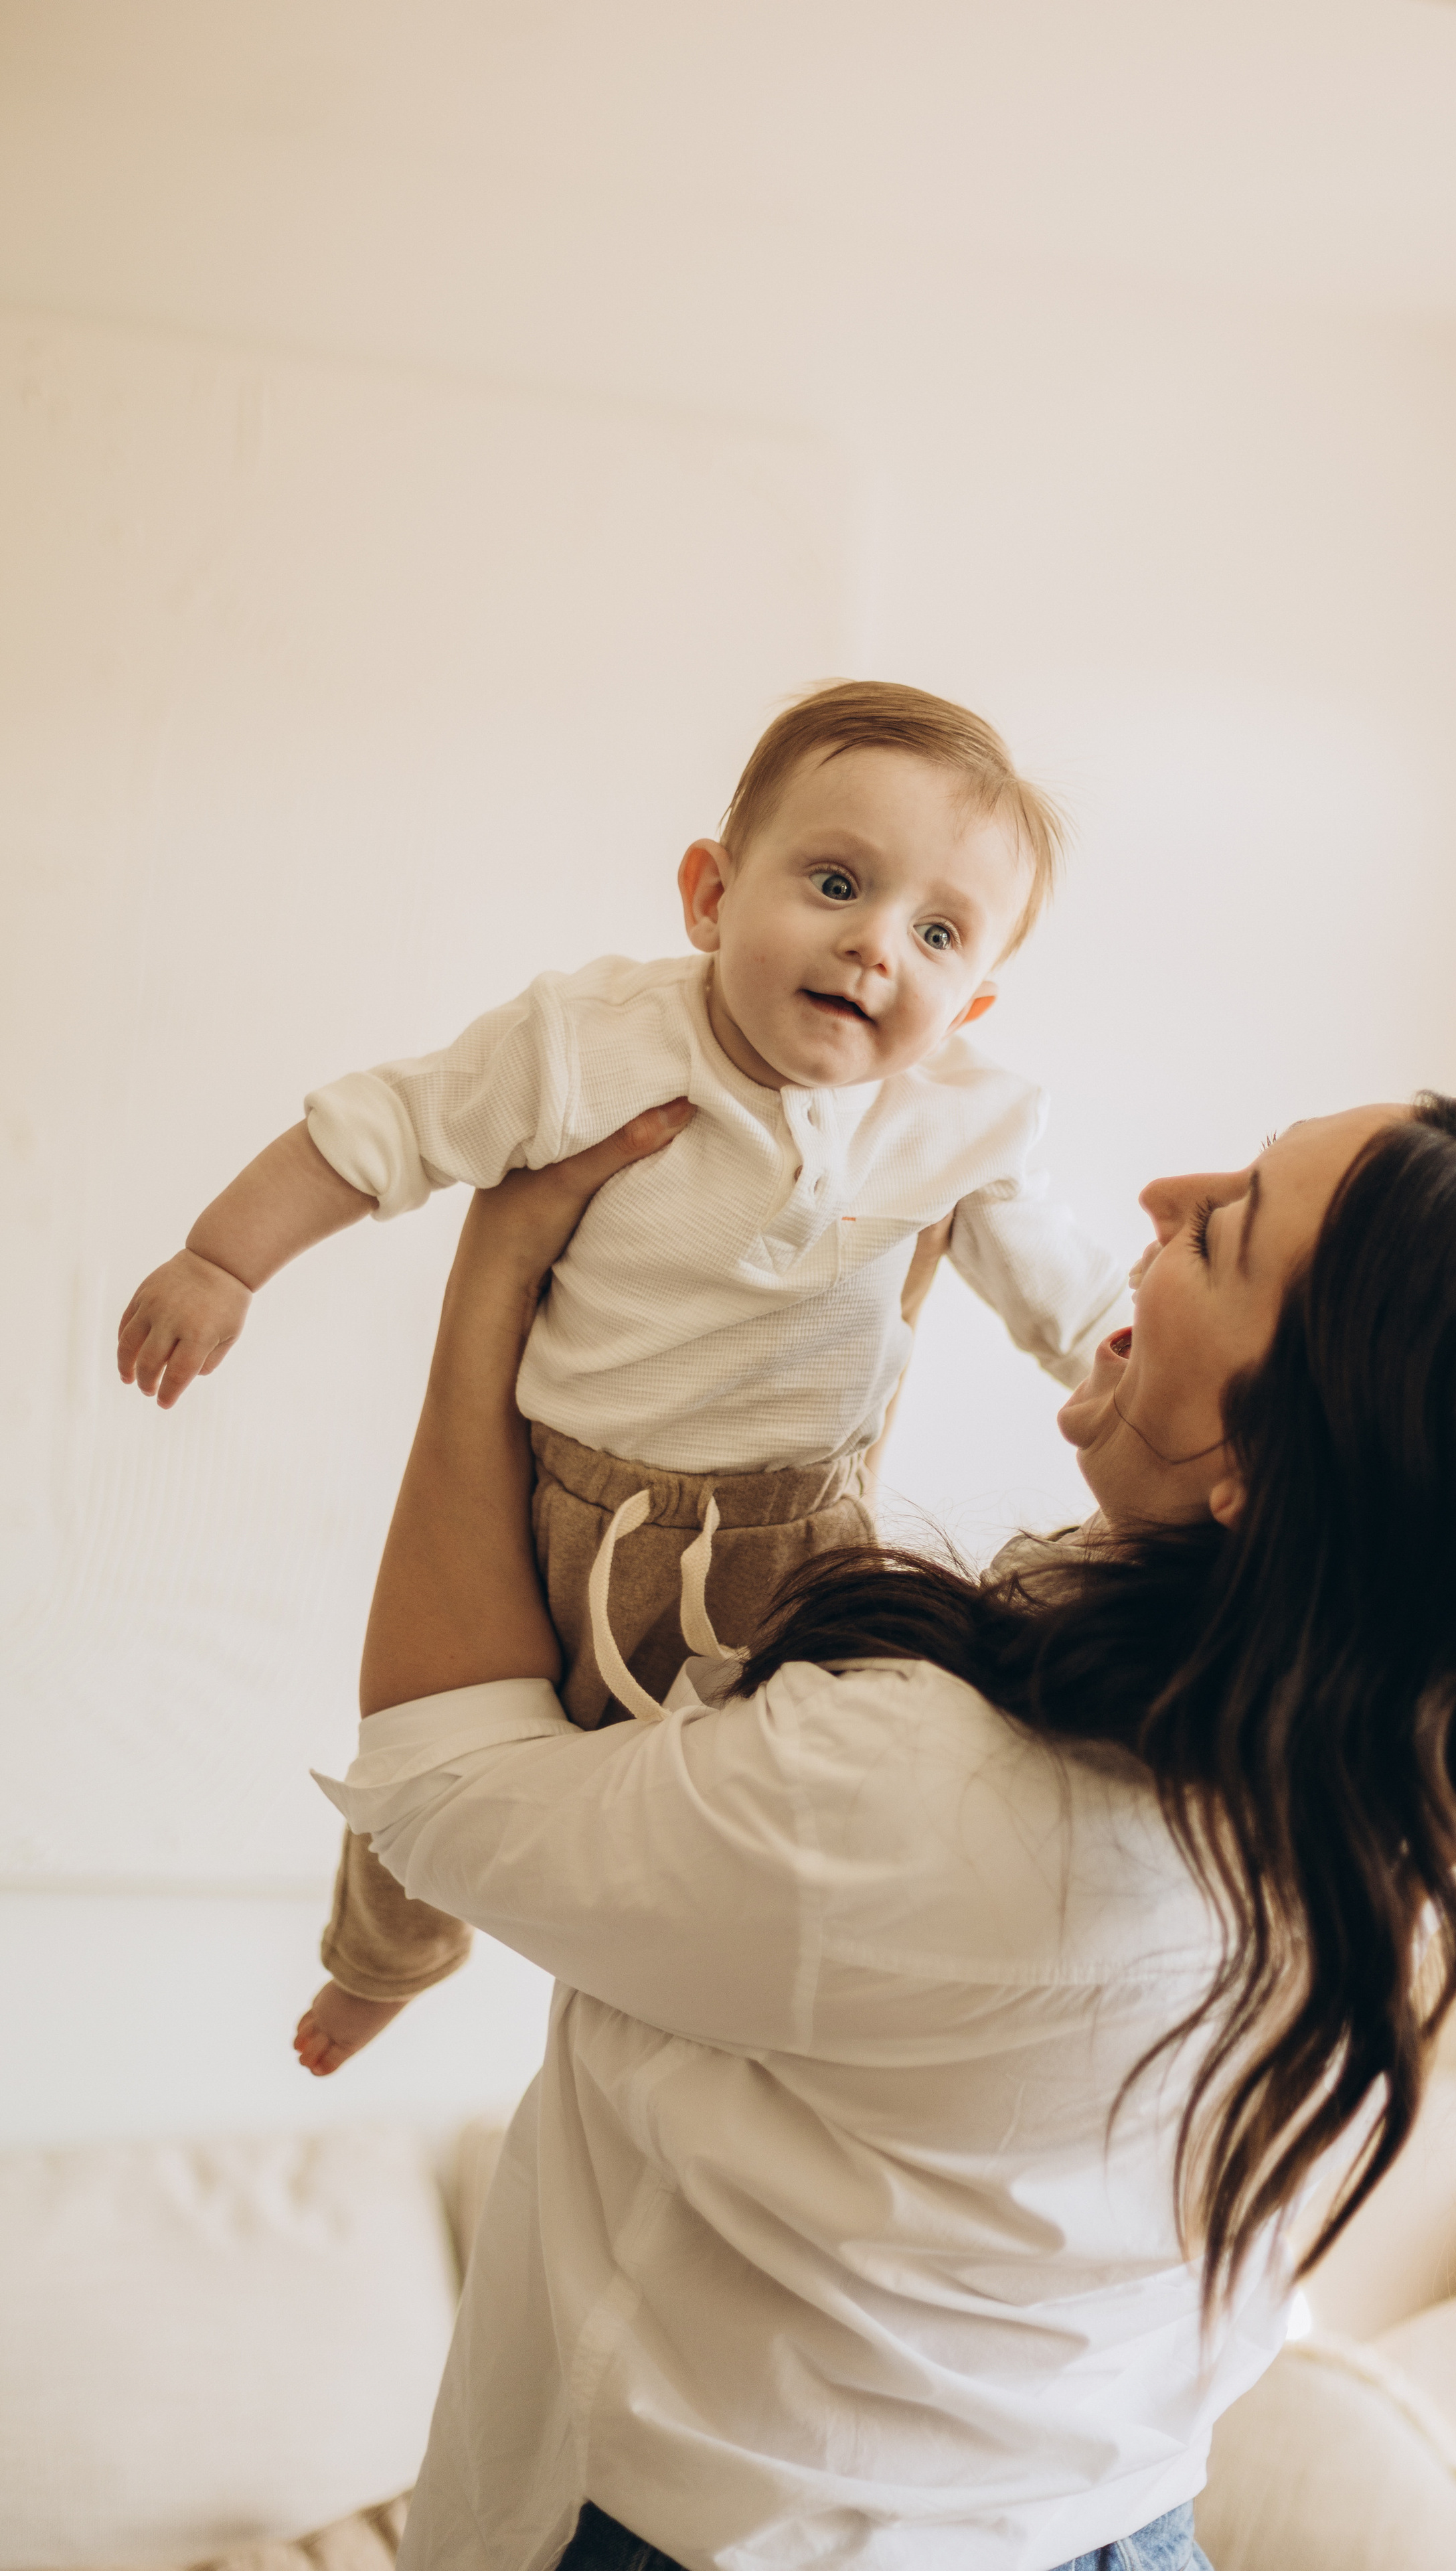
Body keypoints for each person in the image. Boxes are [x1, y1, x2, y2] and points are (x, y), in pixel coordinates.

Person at [319, 1090, 1456, 2571]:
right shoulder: (1370, 1833)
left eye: (1223, 1231)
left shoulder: (939, 1794)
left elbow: (437, 1780)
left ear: (1262, 1469)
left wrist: (500, 1270)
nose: (1163, 1194)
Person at [112, 682, 1128, 2074]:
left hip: (803, 1530)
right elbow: (391, 1124)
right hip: (572, 1506)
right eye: (837, 883)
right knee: (435, 1758)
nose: (875, 946)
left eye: (938, 933)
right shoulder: (593, 1041)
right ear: (710, 894)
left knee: (785, 1793)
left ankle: (738, 2015)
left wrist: (1149, 1375)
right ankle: (383, 1960)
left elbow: (1070, 1294)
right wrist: (223, 1260)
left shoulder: (961, 1122)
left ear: (975, 1002)